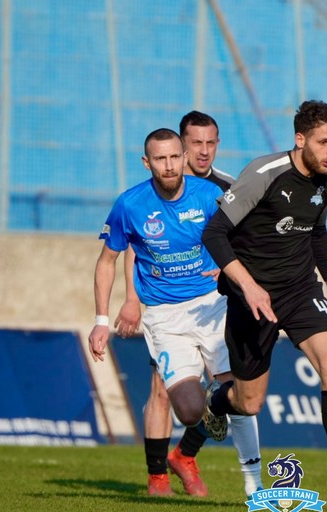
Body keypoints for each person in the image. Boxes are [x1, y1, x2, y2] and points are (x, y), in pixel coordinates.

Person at [201, 99, 327, 507]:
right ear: (300, 139)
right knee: (248, 401)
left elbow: (316, 233)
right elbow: (215, 234)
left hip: (299, 290)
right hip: (251, 299)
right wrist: (249, 287)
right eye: (324, 142)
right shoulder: (263, 173)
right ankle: (217, 400)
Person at [88, 127, 262, 498]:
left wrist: (228, 265)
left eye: (173, 157)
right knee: (187, 409)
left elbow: (242, 237)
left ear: (182, 158)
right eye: (159, 159)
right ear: (146, 162)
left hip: (213, 305)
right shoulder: (130, 204)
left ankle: (248, 483)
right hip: (164, 315)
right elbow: (107, 261)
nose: (168, 166)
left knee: (241, 395)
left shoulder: (211, 194)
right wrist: (102, 320)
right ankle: (165, 467)